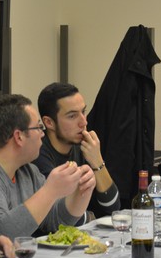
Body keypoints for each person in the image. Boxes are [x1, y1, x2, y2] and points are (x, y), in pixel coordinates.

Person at [0, 94, 96, 240]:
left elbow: (55, 221)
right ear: (19, 137)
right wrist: (50, 191)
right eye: (39, 127)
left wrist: (82, 191)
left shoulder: (28, 171)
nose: (42, 134)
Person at [34, 82, 120, 218]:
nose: (84, 122)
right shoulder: (37, 152)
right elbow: (61, 213)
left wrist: (97, 161)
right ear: (49, 122)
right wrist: (90, 217)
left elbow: (112, 206)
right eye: (72, 116)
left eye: (83, 112)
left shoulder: (84, 147)